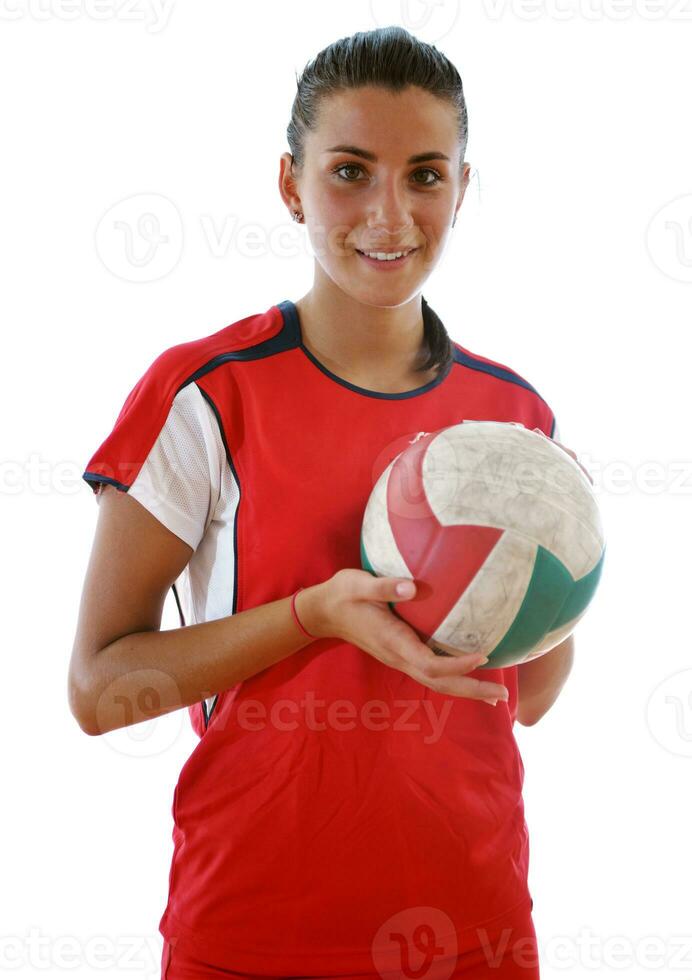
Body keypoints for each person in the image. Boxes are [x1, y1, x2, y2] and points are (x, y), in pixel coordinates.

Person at [68, 25, 584, 980]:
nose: (390, 213)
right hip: (253, 931)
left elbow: (531, 699)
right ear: (289, 184)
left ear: (463, 190)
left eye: (426, 174)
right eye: (351, 170)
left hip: (472, 928)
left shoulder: (515, 420)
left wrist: (556, 560)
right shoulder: (208, 394)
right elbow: (99, 692)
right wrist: (314, 616)